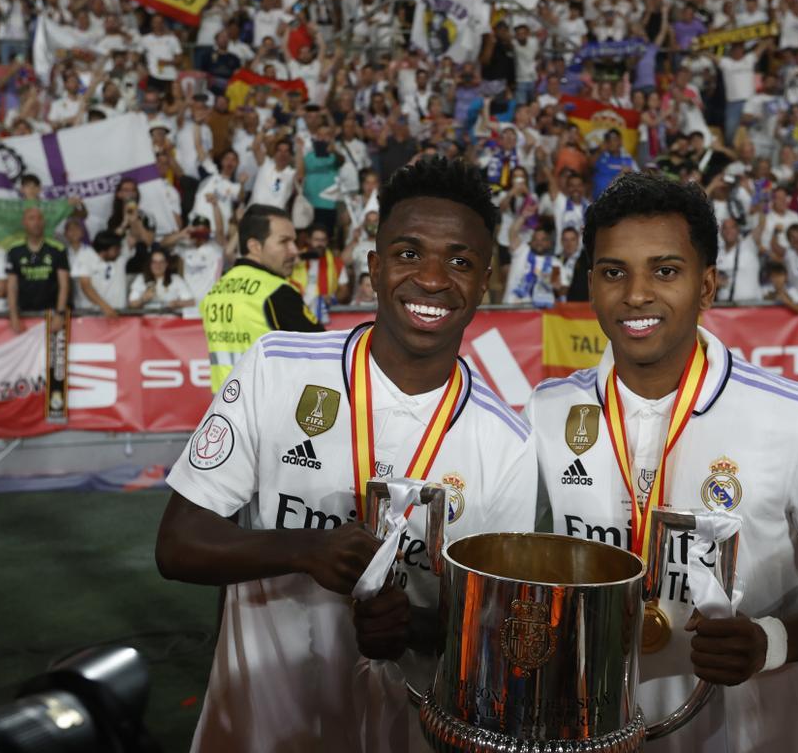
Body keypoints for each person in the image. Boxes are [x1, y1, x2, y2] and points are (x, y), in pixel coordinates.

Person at [154, 156, 538, 752]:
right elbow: (177, 544)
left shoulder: (508, 444)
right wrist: (305, 549)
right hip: (255, 732)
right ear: (375, 266)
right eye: (409, 253)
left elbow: (501, 630)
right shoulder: (277, 367)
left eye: (459, 261)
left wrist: (414, 625)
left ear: (484, 280)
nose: (433, 279)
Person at [525, 172, 798, 753]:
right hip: (589, 732)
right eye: (613, 272)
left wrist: (771, 641)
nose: (636, 294)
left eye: (665, 270)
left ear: (707, 287)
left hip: (743, 737)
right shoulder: (549, 412)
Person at [199, 204, 320, 392]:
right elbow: (324, 355)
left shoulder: (216, 290)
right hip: (267, 411)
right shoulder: (276, 291)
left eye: (293, 242)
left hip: (224, 408)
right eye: (284, 242)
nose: (294, 250)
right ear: (254, 246)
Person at [6, 206, 69, 333]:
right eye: (31, 219)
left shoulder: (57, 249)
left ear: (44, 222)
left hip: (51, 313)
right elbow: (11, 286)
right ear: (24, 223)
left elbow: (64, 284)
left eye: (39, 218)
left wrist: (60, 313)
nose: (36, 222)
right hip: (24, 313)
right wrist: (13, 315)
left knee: (51, 353)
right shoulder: (14, 250)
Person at [73, 231, 127, 316]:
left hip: (116, 315)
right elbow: (85, 285)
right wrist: (105, 307)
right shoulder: (85, 255)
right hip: (90, 317)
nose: (119, 252)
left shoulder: (119, 259)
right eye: (116, 249)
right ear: (105, 250)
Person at [128, 248, 195, 312]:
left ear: (166, 264)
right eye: (154, 262)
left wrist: (177, 303)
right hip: (147, 321)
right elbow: (131, 305)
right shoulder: (141, 279)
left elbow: (191, 302)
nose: (158, 265)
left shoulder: (176, 279)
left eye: (162, 262)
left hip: (170, 321)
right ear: (150, 264)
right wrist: (143, 299)